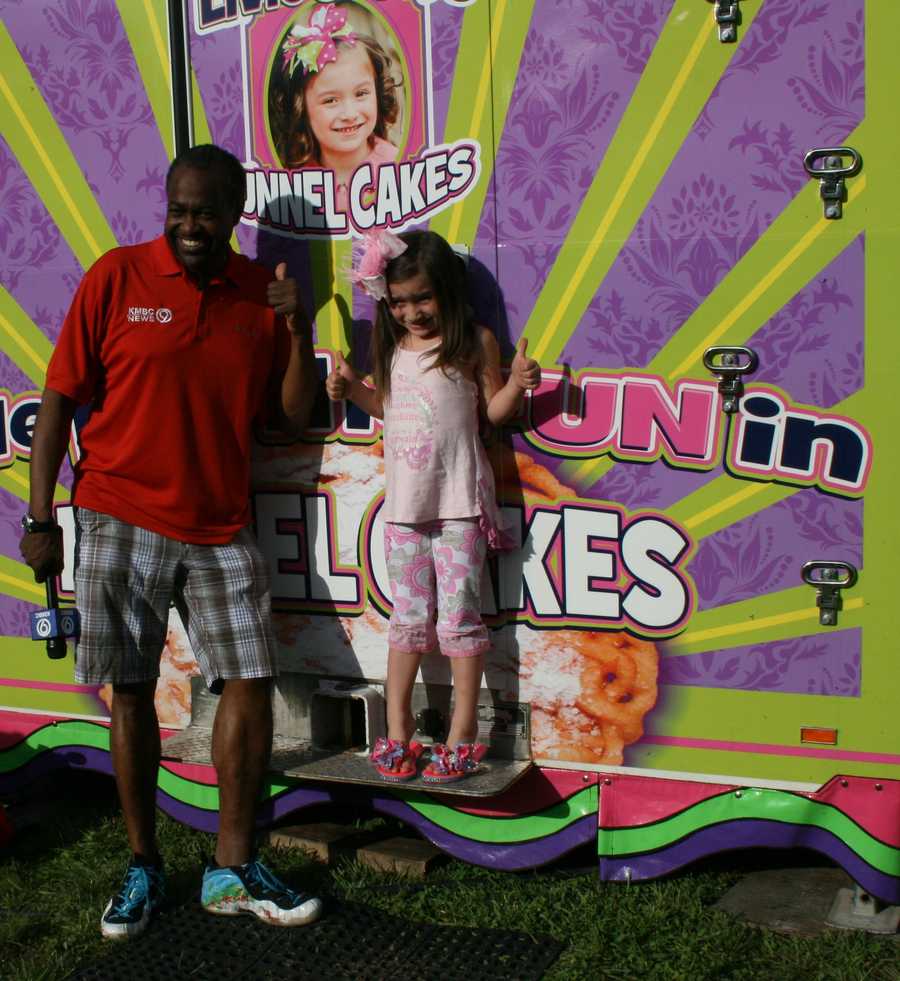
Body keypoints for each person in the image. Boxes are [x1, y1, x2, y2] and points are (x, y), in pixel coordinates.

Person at [19, 144, 323, 939]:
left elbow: (291, 417)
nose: (191, 225)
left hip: (219, 522)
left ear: (233, 216)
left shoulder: (261, 295)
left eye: (207, 212)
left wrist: (300, 326)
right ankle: (143, 864)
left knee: (249, 677)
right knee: (129, 686)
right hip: (116, 513)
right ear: (167, 207)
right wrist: (40, 516)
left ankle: (231, 865)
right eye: (179, 209)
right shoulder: (115, 277)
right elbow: (57, 400)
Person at [326, 230, 541, 783]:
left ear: (447, 290)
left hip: (460, 508)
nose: (411, 312)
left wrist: (516, 384)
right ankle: (398, 732)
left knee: (461, 621)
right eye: (398, 302)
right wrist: (352, 391)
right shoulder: (392, 347)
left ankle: (463, 734)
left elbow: (491, 413)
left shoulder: (474, 342)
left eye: (422, 298)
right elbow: (386, 406)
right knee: (409, 620)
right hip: (403, 510)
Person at [268, 2, 401, 211]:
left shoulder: (397, 167)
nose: (349, 114)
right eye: (331, 100)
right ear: (301, 107)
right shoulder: (296, 182)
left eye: (361, 94)